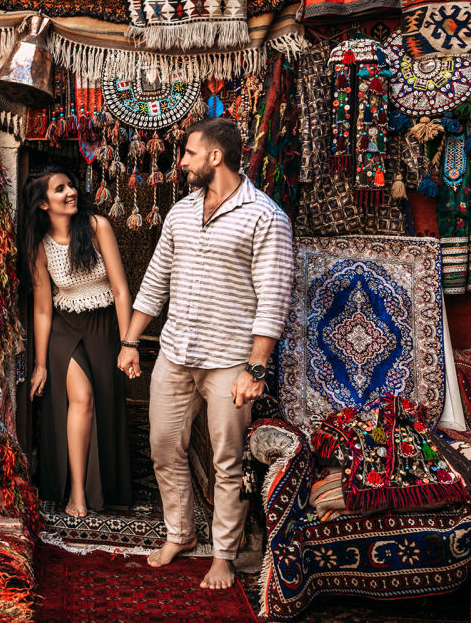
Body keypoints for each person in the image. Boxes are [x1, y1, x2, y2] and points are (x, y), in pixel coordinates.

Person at [117, 118, 294, 589]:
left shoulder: (266, 216)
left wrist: (255, 369)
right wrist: (131, 340)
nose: (182, 161)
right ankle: (179, 533)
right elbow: (155, 281)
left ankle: (224, 554)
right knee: (163, 447)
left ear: (215, 156)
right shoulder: (179, 212)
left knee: (226, 462)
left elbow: (274, 297)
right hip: (176, 353)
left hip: (230, 362)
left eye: (189, 153)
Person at [23, 166, 134, 518]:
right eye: (60, 189)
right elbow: (42, 310)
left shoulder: (98, 227)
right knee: (81, 399)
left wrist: (128, 343)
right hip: (64, 329)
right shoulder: (40, 247)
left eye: (71, 185)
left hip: (104, 327)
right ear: (43, 203)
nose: (70, 192)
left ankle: (100, 488)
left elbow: (119, 290)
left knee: (102, 402)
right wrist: (40, 363)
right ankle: (76, 492)